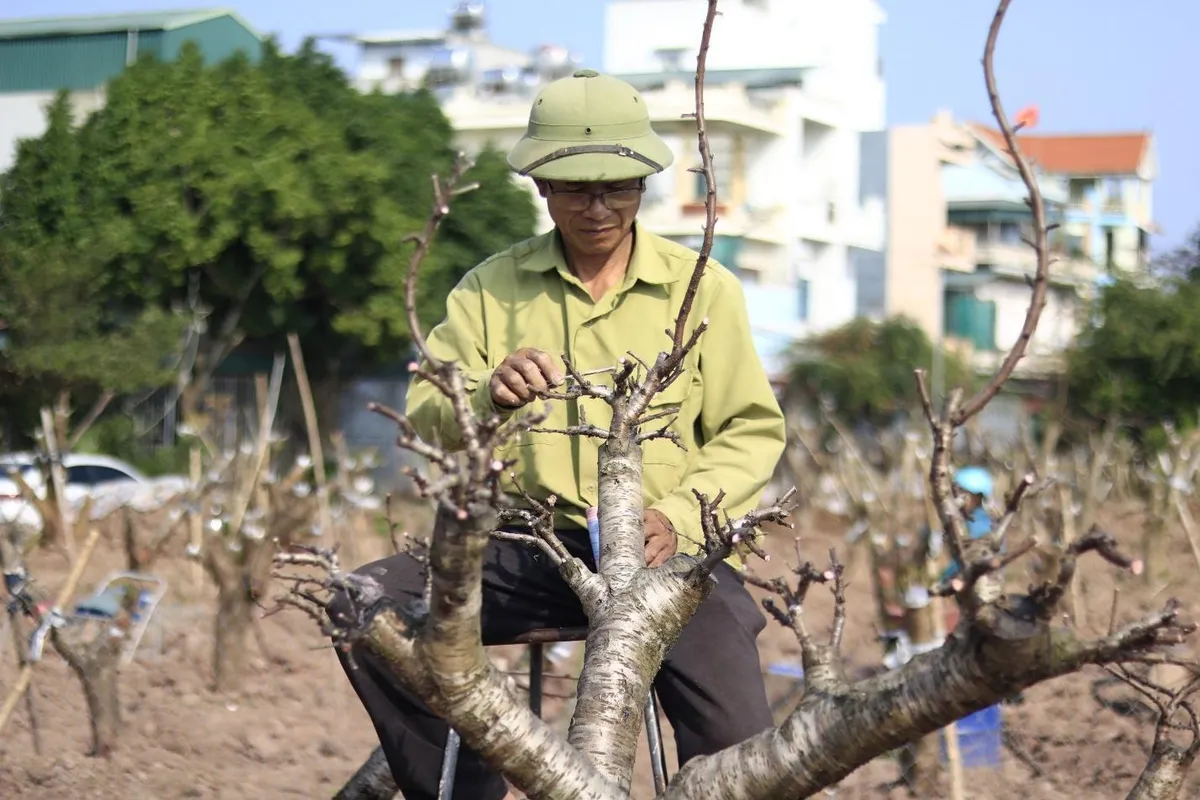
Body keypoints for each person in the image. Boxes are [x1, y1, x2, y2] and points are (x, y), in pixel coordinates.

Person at [332, 68, 787, 800]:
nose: (599, 205)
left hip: (667, 557)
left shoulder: (703, 287)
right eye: (576, 187)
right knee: (362, 601)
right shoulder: (489, 290)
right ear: (542, 186)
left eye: (618, 185)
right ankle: (469, 775)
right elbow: (425, 413)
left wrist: (677, 518)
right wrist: (486, 395)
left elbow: (750, 430)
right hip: (522, 553)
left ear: (644, 184)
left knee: (738, 736)